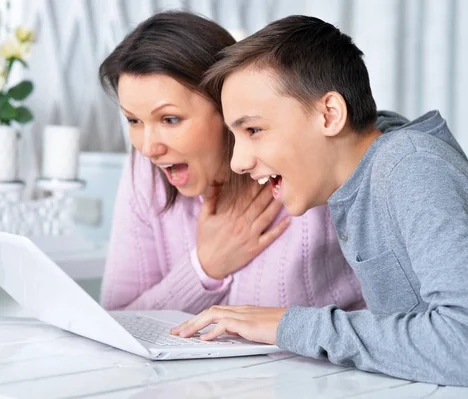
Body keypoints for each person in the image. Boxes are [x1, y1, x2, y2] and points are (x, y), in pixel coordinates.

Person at [172, 15, 468, 386]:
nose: (238, 162)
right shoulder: (363, 173)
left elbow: (462, 343)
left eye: (254, 130)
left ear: (329, 114)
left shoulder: (410, 166)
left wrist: (288, 324)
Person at [98, 11, 402, 314]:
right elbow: (118, 320)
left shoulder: (316, 168)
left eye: (170, 119)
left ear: (227, 107)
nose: (149, 147)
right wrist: (205, 267)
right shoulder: (145, 174)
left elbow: (407, 322)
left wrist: (285, 330)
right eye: (133, 120)